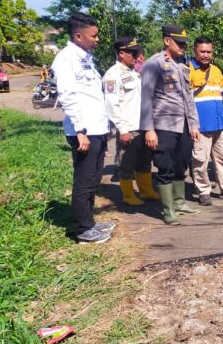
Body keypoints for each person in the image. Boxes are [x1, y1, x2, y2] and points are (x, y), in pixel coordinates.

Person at [51, 13, 116, 243]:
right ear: (78, 36)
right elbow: (68, 95)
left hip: (96, 128)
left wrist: (105, 126)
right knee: (84, 179)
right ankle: (82, 229)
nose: (97, 39)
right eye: (93, 36)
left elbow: (93, 95)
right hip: (84, 131)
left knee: (94, 178)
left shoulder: (85, 57)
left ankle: (90, 222)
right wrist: (80, 130)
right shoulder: (66, 58)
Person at [140, 25, 202, 225]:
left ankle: (180, 202)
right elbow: (146, 99)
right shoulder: (153, 64)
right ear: (167, 41)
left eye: (185, 43)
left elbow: (189, 98)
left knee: (181, 163)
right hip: (163, 124)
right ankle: (168, 211)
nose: (184, 46)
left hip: (183, 125)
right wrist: (148, 129)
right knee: (165, 166)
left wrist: (193, 124)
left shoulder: (184, 65)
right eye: (180, 43)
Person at [103, 37, 160, 206]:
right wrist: (122, 128)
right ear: (121, 53)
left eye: (137, 52)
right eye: (132, 52)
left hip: (143, 125)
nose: (136, 56)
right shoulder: (113, 75)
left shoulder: (134, 72)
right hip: (128, 127)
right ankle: (128, 194)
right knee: (126, 162)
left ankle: (146, 190)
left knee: (144, 160)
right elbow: (112, 104)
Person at [188, 36, 223, 206]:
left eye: (209, 52)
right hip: (200, 125)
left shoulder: (215, 70)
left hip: (219, 123)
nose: (206, 55)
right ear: (195, 51)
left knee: (222, 158)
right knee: (200, 159)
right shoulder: (187, 69)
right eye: (202, 51)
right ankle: (203, 192)